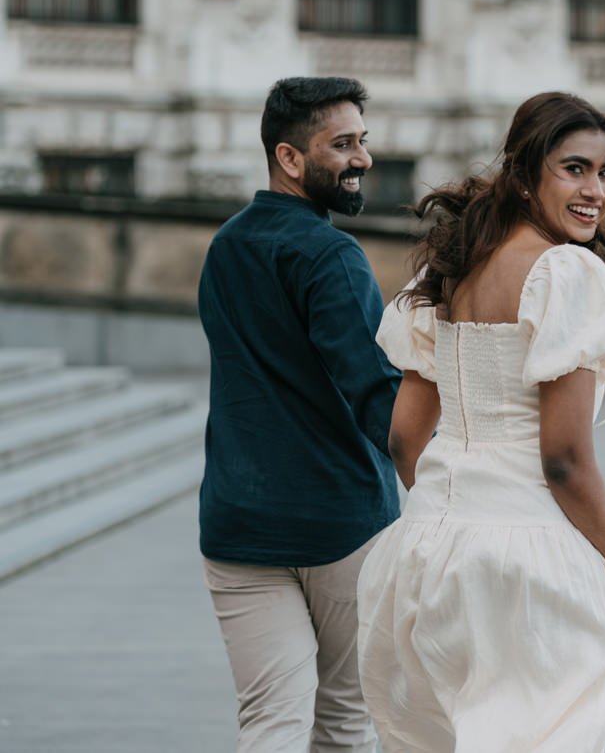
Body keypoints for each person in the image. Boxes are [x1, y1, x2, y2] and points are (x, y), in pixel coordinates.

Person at [357, 91, 605, 753]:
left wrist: (450, 512)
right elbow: (563, 460)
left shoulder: (452, 271)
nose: (597, 191)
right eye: (573, 169)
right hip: (523, 559)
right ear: (525, 177)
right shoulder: (565, 274)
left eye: (604, 171)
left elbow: (404, 438)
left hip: (423, 550)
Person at [198, 76, 400, 753]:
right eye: (342, 145)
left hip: (238, 525)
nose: (362, 159)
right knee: (344, 725)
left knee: (269, 722)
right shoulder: (330, 255)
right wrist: (442, 481)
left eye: (362, 142)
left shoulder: (227, 244)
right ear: (290, 159)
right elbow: (373, 390)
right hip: (341, 522)